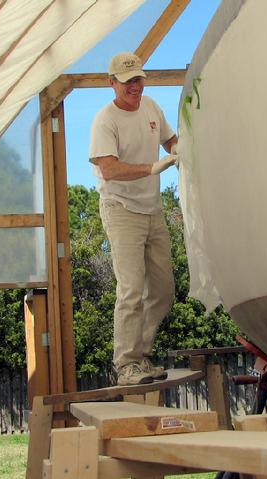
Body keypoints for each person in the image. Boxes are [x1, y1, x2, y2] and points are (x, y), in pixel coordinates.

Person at [89, 52, 179, 386]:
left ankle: (140, 357)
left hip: (152, 209)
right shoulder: (105, 120)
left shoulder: (152, 107)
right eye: (127, 82)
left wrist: (182, 148)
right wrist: (152, 168)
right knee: (130, 289)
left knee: (163, 289)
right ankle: (126, 365)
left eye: (138, 80)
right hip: (121, 208)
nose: (134, 87)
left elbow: (171, 140)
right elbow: (109, 168)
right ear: (112, 83)